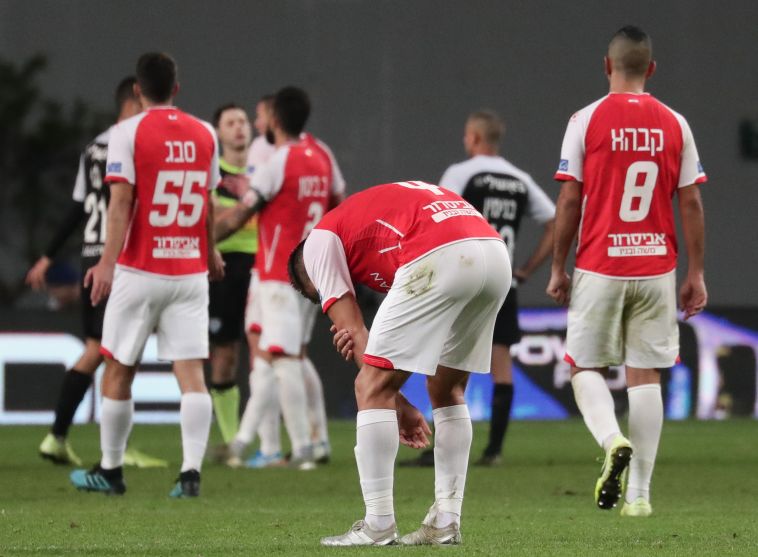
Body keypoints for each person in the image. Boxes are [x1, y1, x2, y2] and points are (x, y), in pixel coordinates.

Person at [288, 181, 511, 546]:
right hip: (493, 253)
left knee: (369, 387)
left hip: (440, 252)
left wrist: (395, 400)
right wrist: (392, 392)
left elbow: (352, 330)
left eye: (321, 296)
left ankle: (377, 525)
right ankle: (446, 521)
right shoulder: (363, 230)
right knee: (447, 388)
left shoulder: (316, 245)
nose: (328, 300)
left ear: (307, 275)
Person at [547, 26, 707, 517]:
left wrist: (557, 266)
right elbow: (691, 202)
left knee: (583, 367)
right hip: (657, 266)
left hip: (600, 263)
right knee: (646, 376)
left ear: (606, 65)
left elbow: (570, 198)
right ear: (651, 69)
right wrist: (696, 273)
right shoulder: (676, 123)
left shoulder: (586, 119)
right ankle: (640, 497)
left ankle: (612, 439)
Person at [69, 52, 224, 497]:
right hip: (189, 271)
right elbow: (208, 201)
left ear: (138, 91)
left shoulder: (126, 132)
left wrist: (105, 262)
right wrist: (211, 249)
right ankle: (190, 473)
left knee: (118, 369)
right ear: (176, 88)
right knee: (192, 375)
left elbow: (121, 203)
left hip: (140, 269)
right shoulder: (205, 132)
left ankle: (111, 470)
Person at [26, 76, 166, 470]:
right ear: (135, 100)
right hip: (117, 258)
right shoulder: (132, 143)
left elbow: (78, 207)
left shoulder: (93, 147)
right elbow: (130, 205)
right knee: (120, 355)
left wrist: (47, 256)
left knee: (97, 348)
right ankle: (116, 450)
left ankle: (58, 437)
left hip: (92, 257)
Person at [402, 110, 555, 468]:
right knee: (502, 365)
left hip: (466, 278)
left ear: (473, 137)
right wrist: (526, 270)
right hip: (503, 281)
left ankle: (443, 450)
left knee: (448, 365)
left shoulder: (461, 173)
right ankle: (494, 451)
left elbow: (435, 216)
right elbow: (555, 221)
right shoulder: (520, 179)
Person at [216, 86, 337, 470]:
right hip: (310, 274)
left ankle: (301, 448)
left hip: (277, 274)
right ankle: (247, 442)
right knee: (278, 356)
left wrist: (201, 242)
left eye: (262, 116)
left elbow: (241, 214)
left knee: (282, 360)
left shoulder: (277, 162)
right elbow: (337, 202)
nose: (257, 123)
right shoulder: (321, 157)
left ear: (275, 120)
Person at [206, 103, 256, 450]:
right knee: (225, 354)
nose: (239, 127)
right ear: (218, 132)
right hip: (225, 265)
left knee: (268, 354)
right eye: (230, 123)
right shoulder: (213, 173)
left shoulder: (264, 169)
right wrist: (250, 205)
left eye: (243, 121)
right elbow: (211, 219)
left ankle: (268, 439)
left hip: (264, 265)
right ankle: (230, 438)